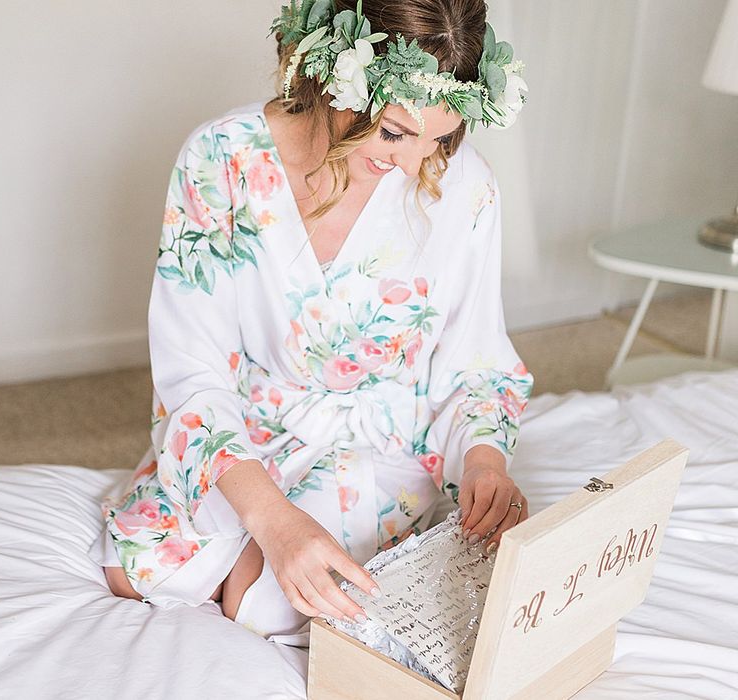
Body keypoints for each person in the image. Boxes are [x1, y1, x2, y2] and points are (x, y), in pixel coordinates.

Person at [88, 0, 534, 642]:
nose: (414, 164)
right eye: (394, 132)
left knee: (283, 604)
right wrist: (273, 521)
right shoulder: (221, 159)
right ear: (333, 80)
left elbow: (475, 361)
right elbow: (192, 369)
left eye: (439, 137)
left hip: (379, 445)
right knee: (136, 567)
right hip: (250, 421)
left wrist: (486, 463)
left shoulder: (465, 186)